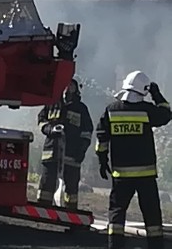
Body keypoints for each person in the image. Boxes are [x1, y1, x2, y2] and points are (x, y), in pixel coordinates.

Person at [95, 70, 171, 249]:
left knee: (117, 212)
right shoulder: (146, 110)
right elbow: (166, 114)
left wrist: (102, 159)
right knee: (151, 214)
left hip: (121, 173)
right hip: (146, 174)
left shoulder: (111, 110)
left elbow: (101, 137)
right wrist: (156, 93)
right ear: (143, 89)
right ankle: (156, 246)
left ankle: (115, 245)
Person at [36, 77, 92, 209]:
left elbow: (87, 132)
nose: (67, 88)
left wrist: (81, 151)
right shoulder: (52, 103)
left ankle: (70, 212)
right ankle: (43, 210)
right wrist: (50, 129)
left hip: (72, 155)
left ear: (76, 89)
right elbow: (41, 120)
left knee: (71, 188)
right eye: (65, 85)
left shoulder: (81, 109)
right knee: (46, 184)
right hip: (52, 153)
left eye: (71, 86)